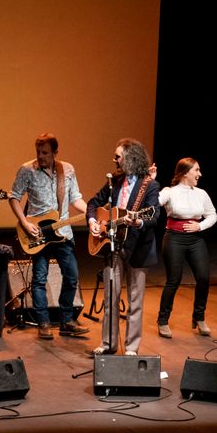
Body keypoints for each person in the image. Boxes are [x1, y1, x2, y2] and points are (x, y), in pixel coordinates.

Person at [8, 133, 89, 341]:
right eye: (38, 152)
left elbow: (76, 198)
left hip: (63, 233)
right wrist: (25, 223)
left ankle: (66, 321)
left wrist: (91, 212)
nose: (41, 156)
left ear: (55, 153)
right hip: (38, 233)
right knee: (39, 279)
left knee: (71, 276)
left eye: (45, 153)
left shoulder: (67, 170)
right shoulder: (27, 170)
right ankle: (43, 323)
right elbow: (14, 197)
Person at [88, 138, 161, 354]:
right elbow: (93, 203)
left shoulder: (150, 185)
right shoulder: (115, 182)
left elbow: (154, 214)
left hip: (139, 248)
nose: (114, 160)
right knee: (111, 297)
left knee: (135, 301)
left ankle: (131, 348)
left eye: (118, 156)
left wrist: (138, 221)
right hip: (113, 246)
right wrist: (93, 221)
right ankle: (108, 344)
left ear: (130, 158)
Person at [155, 157, 217, 337]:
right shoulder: (170, 192)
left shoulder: (201, 193)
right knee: (173, 280)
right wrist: (151, 184)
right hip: (174, 238)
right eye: (196, 170)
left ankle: (199, 317)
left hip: (195, 239)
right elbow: (155, 203)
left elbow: (212, 215)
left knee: (204, 278)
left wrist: (200, 226)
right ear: (184, 173)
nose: (200, 174)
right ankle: (163, 321)